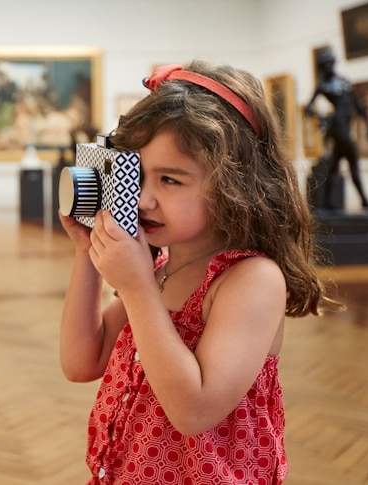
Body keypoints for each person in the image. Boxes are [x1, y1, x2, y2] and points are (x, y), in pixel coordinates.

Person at [58, 61, 335, 483]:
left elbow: (194, 411)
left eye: (170, 180)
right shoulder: (165, 268)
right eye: (137, 176)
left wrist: (136, 288)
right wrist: (86, 253)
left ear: (233, 184)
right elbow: (81, 361)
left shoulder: (250, 279)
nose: (145, 199)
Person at [305, 48, 368, 210]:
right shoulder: (323, 85)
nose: (327, 66)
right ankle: (364, 200)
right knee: (353, 162)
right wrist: (321, 116)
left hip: (343, 126)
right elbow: (308, 108)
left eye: (329, 63)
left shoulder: (344, 81)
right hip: (338, 127)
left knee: (334, 167)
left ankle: (328, 202)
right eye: (324, 64)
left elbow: (356, 104)